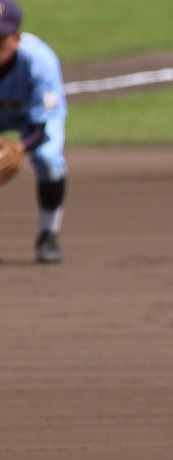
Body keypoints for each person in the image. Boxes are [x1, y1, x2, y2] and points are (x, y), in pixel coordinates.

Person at [0, 0, 67, 264]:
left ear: (16, 39)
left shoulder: (40, 62)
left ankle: (48, 235)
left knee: (49, 159)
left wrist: (18, 149)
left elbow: (41, 129)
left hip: (31, 117)